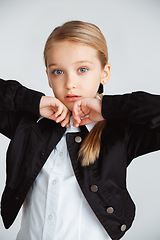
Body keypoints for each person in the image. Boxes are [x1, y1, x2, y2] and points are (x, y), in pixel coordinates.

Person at [0, 20, 160, 240]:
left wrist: (109, 107)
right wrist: (31, 101)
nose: (70, 83)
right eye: (58, 72)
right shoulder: (30, 125)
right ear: (47, 75)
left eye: (82, 69)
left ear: (105, 73)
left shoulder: (120, 132)